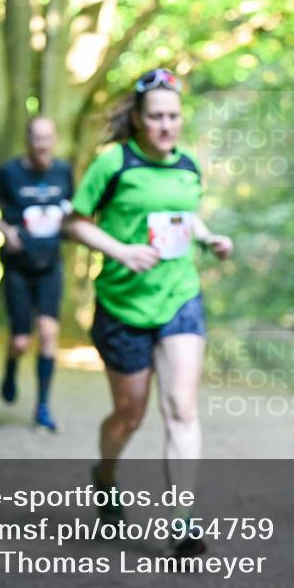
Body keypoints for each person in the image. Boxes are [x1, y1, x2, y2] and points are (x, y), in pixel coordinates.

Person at [63, 68, 233, 560]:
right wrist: (121, 251)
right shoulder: (113, 163)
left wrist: (208, 238)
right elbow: (75, 223)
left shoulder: (188, 167)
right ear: (137, 119)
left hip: (179, 298)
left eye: (173, 117)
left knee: (181, 407)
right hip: (122, 305)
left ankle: (182, 521)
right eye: (156, 116)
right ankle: (106, 475)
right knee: (129, 413)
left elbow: (184, 213)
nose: (166, 126)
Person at [0, 116, 74, 432]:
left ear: (55, 139)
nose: (42, 145)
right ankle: (10, 366)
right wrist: (7, 231)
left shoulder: (63, 171)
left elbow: (74, 208)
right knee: (21, 341)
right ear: (27, 140)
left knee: (48, 331)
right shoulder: (10, 172)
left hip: (51, 265)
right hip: (18, 267)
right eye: (36, 138)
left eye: (47, 138)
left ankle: (43, 407)